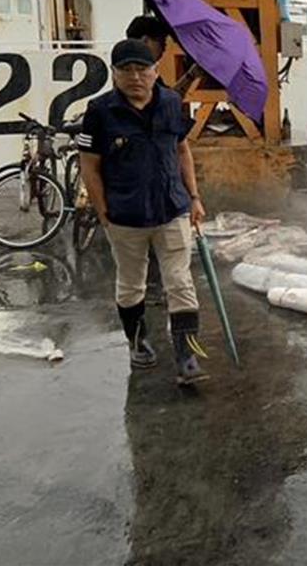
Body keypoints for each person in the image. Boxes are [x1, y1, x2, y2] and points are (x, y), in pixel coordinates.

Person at [77, 40, 208, 386]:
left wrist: (194, 197)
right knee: (131, 283)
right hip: (125, 214)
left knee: (180, 282)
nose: (135, 76)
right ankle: (138, 342)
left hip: (171, 208)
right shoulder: (99, 111)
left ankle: (187, 355)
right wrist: (103, 212)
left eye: (142, 69)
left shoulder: (171, 103)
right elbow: (89, 166)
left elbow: (182, 150)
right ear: (114, 73)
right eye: (126, 70)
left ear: (155, 71)